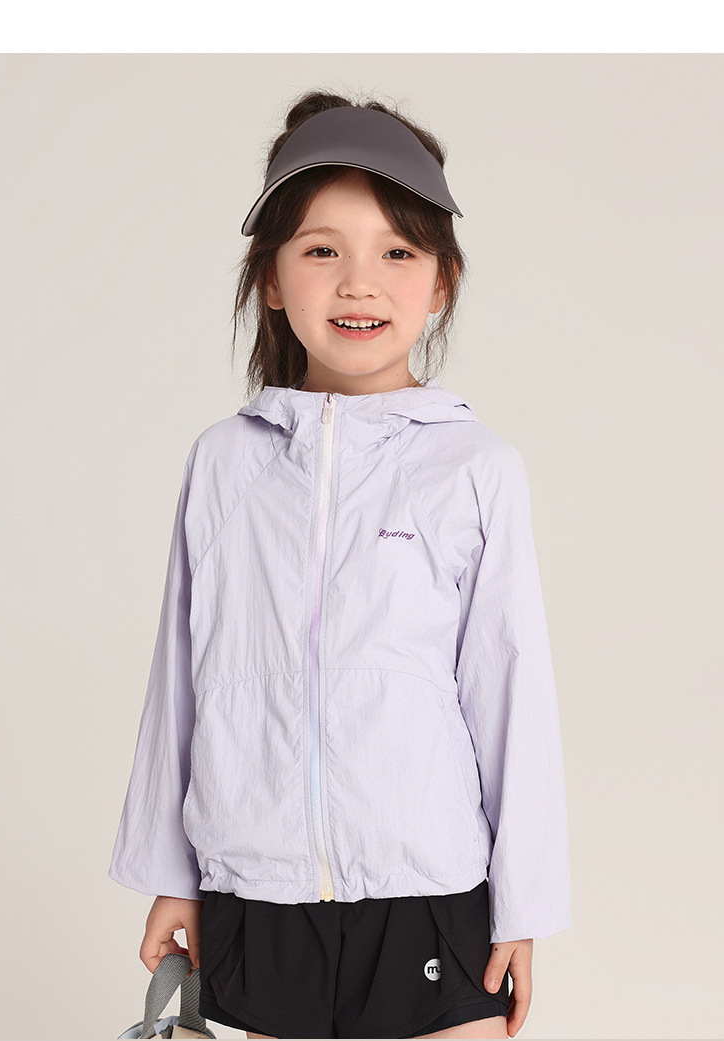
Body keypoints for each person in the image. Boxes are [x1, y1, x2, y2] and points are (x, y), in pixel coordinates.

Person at [108, 89, 571, 1040]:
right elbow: (179, 680)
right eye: (322, 250)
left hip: (432, 891)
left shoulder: (475, 468)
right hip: (257, 893)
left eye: (397, 253)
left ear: (441, 282)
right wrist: (171, 875)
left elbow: (510, 689)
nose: (360, 284)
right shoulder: (224, 463)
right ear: (272, 279)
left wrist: (523, 903)